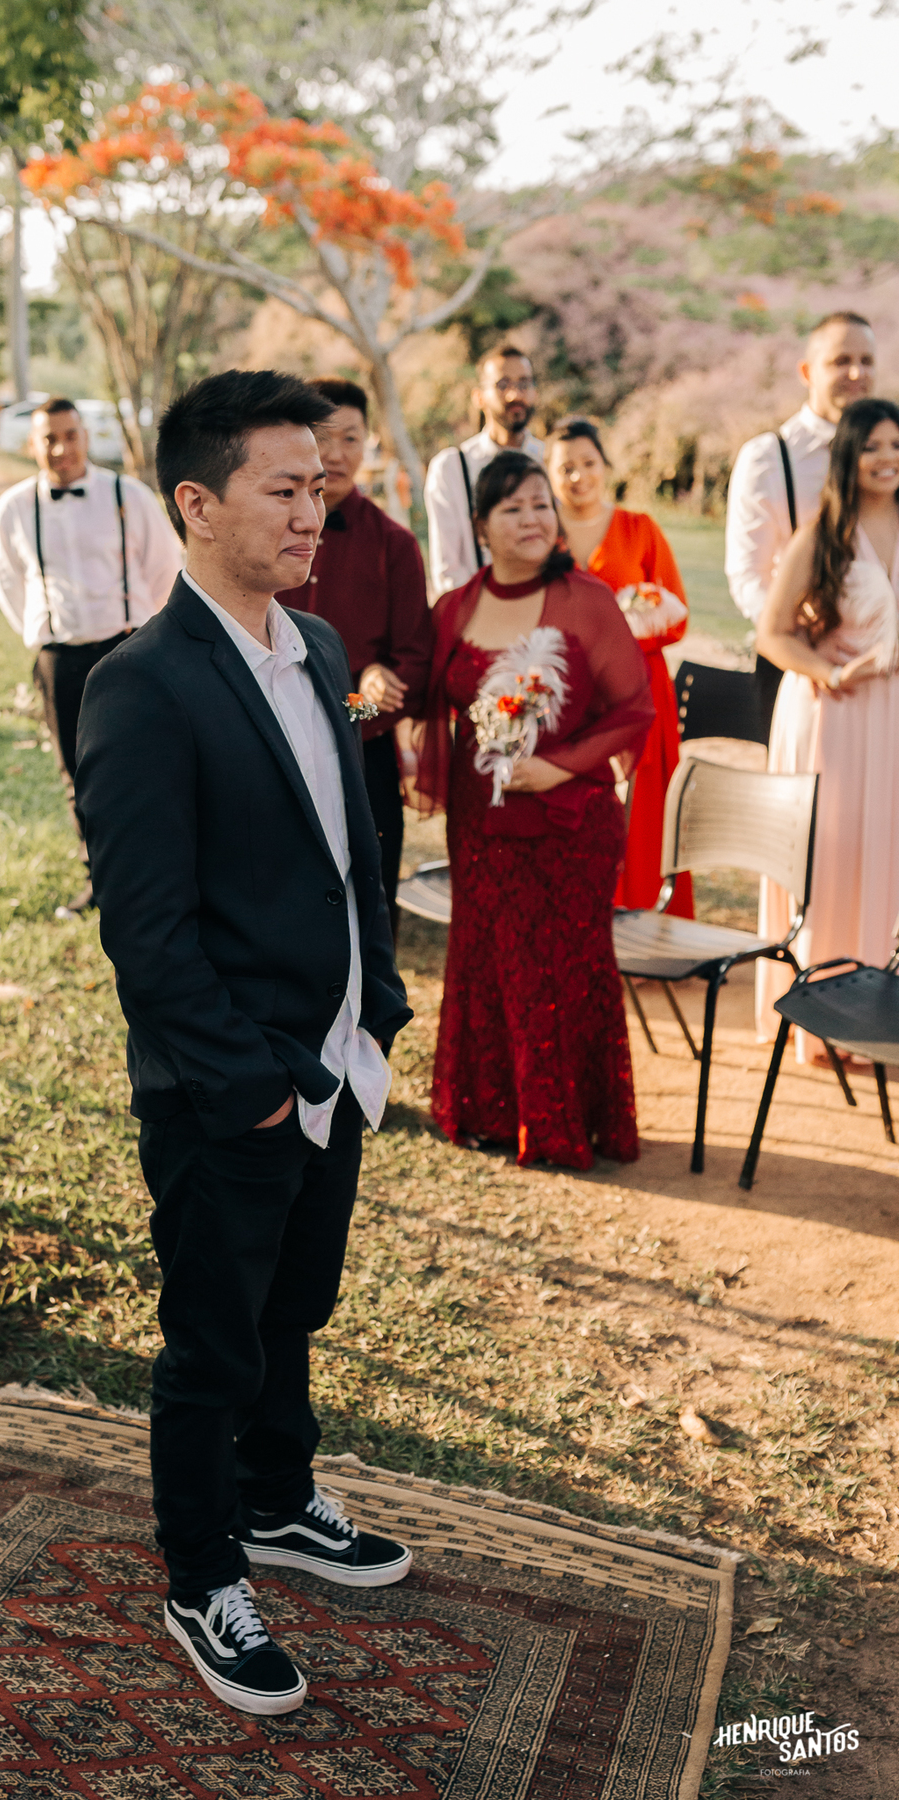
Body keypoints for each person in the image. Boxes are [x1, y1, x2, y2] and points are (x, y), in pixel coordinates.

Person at [74, 370, 414, 1717]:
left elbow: (350, 852)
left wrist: (374, 1011)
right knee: (213, 1344)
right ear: (198, 504)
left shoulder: (319, 649)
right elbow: (148, 935)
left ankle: (277, 1500)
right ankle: (203, 1573)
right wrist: (254, 1088)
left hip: (335, 1058)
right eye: (283, 489)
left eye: (319, 487)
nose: (312, 512)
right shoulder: (140, 687)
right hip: (233, 1086)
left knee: (294, 1308)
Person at [415, 451, 655, 1168]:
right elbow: (426, 699)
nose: (532, 519)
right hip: (478, 822)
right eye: (512, 507)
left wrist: (557, 766)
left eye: (541, 505)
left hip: (568, 820)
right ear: (480, 525)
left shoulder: (587, 600)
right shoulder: (455, 608)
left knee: (560, 965)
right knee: (485, 956)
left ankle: (566, 1122)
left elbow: (633, 709)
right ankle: (489, 1112)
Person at [0, 395, 183, 914]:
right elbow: (8, 582)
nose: (61, 449)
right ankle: (100, 876)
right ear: (32, 445)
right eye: (49, 439)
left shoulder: (129, 496)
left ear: (85, 437)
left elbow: (165, 570)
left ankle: (155, 872)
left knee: (144, 764)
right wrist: (47, 633)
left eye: (69, 436)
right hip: (61, 657)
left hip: (128, 652)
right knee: (77, 772)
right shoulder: (14, 509)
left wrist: (148, 642)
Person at [755, 396, 899, 1063]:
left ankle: (880, 1018)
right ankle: (825, 1018)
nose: (888, 458)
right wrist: (833, 672)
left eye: (896, 444)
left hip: (892, 718)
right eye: (872, 446)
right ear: (848, 455)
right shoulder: (823, 534)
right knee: (834, 857)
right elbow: (773, 634)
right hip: (834, 716)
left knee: (888, 857)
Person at [287, 375, 435, 934]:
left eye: (350, 438)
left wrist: (364, 702)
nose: (336, 453)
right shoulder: (268, 533)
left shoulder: (395, 544)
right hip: (275, 739)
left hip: (364, 751)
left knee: (370, 905)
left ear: (369, 443)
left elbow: (414, 660)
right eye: (321, 438)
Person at [546, 417, 693, 916]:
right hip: (564, 693)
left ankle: (647, 917)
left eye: (588, 463)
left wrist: (626, 631)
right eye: (565, 467)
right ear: (549, 474)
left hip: (638, 690)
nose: (578, 476)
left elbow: (677, 616)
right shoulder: (539, 533)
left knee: (643, 812)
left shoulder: (639, 529)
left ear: (605, 466)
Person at [725, 312, 875, 735]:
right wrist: (796, 638)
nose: (856, 373)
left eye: (866, 361)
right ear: (807, 372)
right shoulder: (768, 458)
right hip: (796, 667)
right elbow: (747, 574)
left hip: (881, 662)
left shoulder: (889, 455)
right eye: (841, 361)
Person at [424, 346, 545, 596]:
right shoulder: (451, 469)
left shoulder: (550, 460)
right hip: (478, 608)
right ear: (478, 397)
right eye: (503, 384)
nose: (515, 394)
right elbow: (448, 571)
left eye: (524, 384)